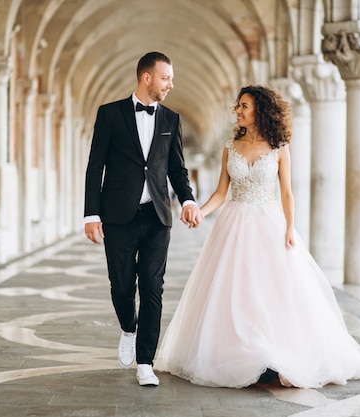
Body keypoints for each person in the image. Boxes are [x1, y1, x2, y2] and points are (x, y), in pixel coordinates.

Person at [154, 85, 360, 389]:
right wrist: (200, 211)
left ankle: (276, 355)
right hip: (234, 222)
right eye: (238, 106)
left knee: (274, 290)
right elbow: (222, 192)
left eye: (244, 106)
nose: (238, 111)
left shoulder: (279, 148)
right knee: (236, 289)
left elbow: (286, 193)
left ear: (261, 110)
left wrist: (289, 228)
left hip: (269, 223)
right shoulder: (230, 147)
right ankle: (243, 353)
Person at [83, 51, 203, 387]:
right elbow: (96, 166)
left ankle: (146, 362)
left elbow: (177, 169)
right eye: (166, 78)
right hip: (117, 215)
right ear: (146, 77)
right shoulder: (109, 114)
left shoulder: (171, 119)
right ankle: (127, 327)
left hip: (157, 216)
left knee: (153, 287)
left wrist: (188, 200)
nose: (171, 84)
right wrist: (91, 213)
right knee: (121, 285)